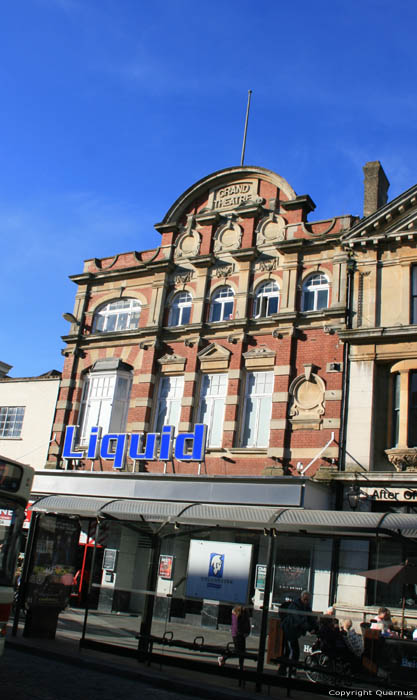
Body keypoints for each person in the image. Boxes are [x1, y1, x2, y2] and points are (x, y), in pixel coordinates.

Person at [278, 591, 316, 677]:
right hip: (289, 629)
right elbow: (299, 619)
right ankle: (290, 672)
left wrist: (315, 627)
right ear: (301, 598)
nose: (306, 601)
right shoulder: (295, 606)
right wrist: (309, 628)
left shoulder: (306, 607)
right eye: (305, 599)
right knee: (293, 651)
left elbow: (310, 617)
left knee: (288, 651)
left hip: (294, 631)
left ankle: (283, 670)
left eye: (308, 600)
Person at [218, 605, 251, 673]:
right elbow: (236, 626)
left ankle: (240, 665)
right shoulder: (236, 614)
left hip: (241, 634)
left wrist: (247, 632)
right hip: (237, 635)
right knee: (238, 650)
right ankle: (223, 658)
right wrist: (243, 632)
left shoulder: (244, 612)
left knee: (242, 651)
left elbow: (247, 623)